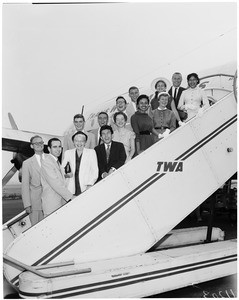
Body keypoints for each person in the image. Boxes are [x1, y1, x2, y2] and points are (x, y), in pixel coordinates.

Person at [41, 138, 74, 217]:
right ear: (49, 149)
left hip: (59, 204)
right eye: (55, 147)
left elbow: (59, 179)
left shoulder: (56, 162)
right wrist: (71, 197)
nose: (58, 149)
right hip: (52, 205)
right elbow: (55, 183)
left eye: (60, 147)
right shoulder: (47, 162)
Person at [62, 131, 98, 196]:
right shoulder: (68, 153)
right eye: (76, 141)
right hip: (71, 188)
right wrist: (67, 175)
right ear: (73, 142)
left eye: (82, 141)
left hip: (86, 187)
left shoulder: (91, 152)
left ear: (85, 142)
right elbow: (62, 170)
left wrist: (90, 184)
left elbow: (95, 171)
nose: (79, 143)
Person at [21, 135, 45, 226]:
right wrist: (27, 204)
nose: (39, 144)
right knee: (37, 230)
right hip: (35, 204)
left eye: (41, 142)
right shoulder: (27, 163)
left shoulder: (51, 159)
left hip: (51, 201)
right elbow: (25, 185)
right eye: (36, 143)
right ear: (32, 146)